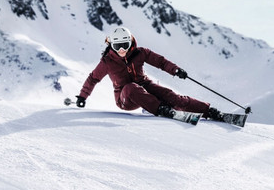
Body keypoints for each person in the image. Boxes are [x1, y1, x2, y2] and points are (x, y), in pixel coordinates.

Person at [74, 26, 226, 121]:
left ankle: (209, 111)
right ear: (111, 45)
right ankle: (160, 109)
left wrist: (176, 70)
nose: (121, 50)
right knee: (131, 88)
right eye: (117, 46)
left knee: (171, 96)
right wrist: (82, 96)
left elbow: (160, 62)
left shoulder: (141, 53)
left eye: (124, 45)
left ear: (130, 42)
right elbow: (93, 78)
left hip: (145, 86)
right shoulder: (107, 62)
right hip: (125, 97)